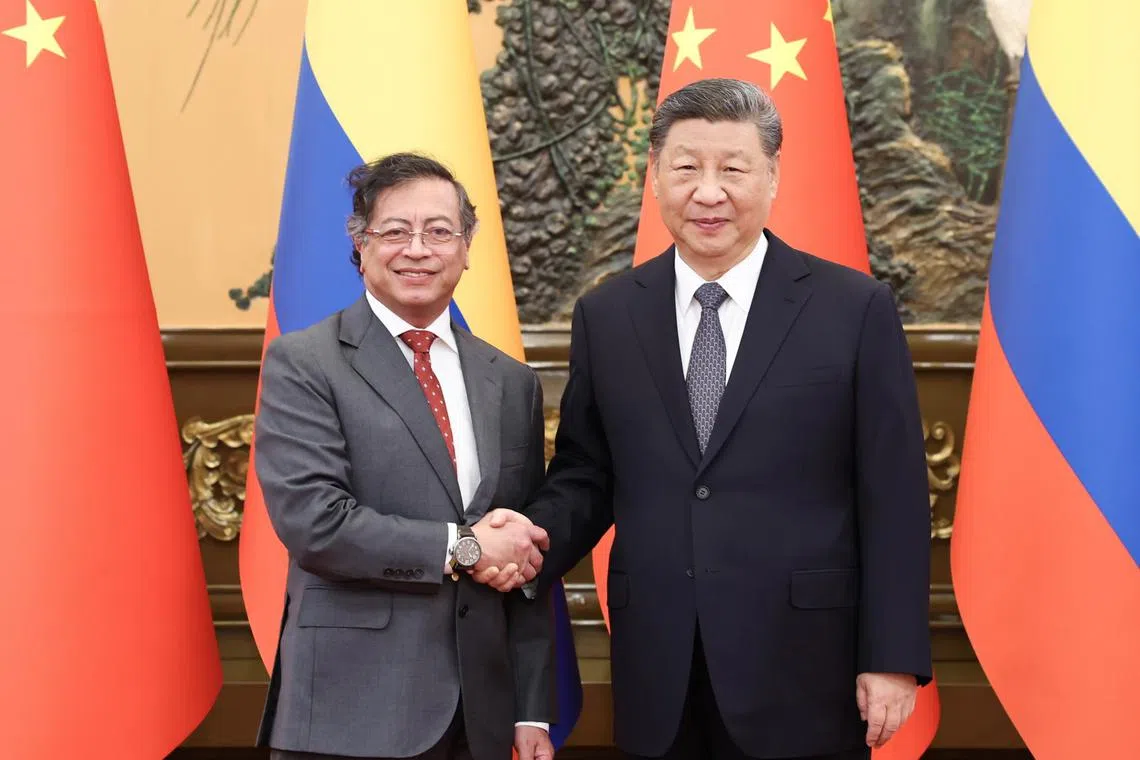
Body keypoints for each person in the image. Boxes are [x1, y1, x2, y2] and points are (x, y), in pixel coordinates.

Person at [499, 78, 933, 759]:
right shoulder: (610, 316)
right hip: (660, 666)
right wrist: (527, 539)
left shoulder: (853, 309)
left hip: (805, 668)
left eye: (733, 169)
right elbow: (588, 473)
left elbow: (895, 495)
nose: (708, 192)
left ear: (772, 176)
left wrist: (894, 657)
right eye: (686, 169)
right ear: (654, 178)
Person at [252, 153, 556, 760]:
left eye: (440, 231)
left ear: (467, 248)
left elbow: (521, 555)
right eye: (395, 231)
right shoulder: (305, 364)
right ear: (361, 245)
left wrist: (532, 710)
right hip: (353, 713)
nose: (417, 249)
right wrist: (464, 547)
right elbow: (317, 523)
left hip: (484, 719)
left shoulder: (511, 382)